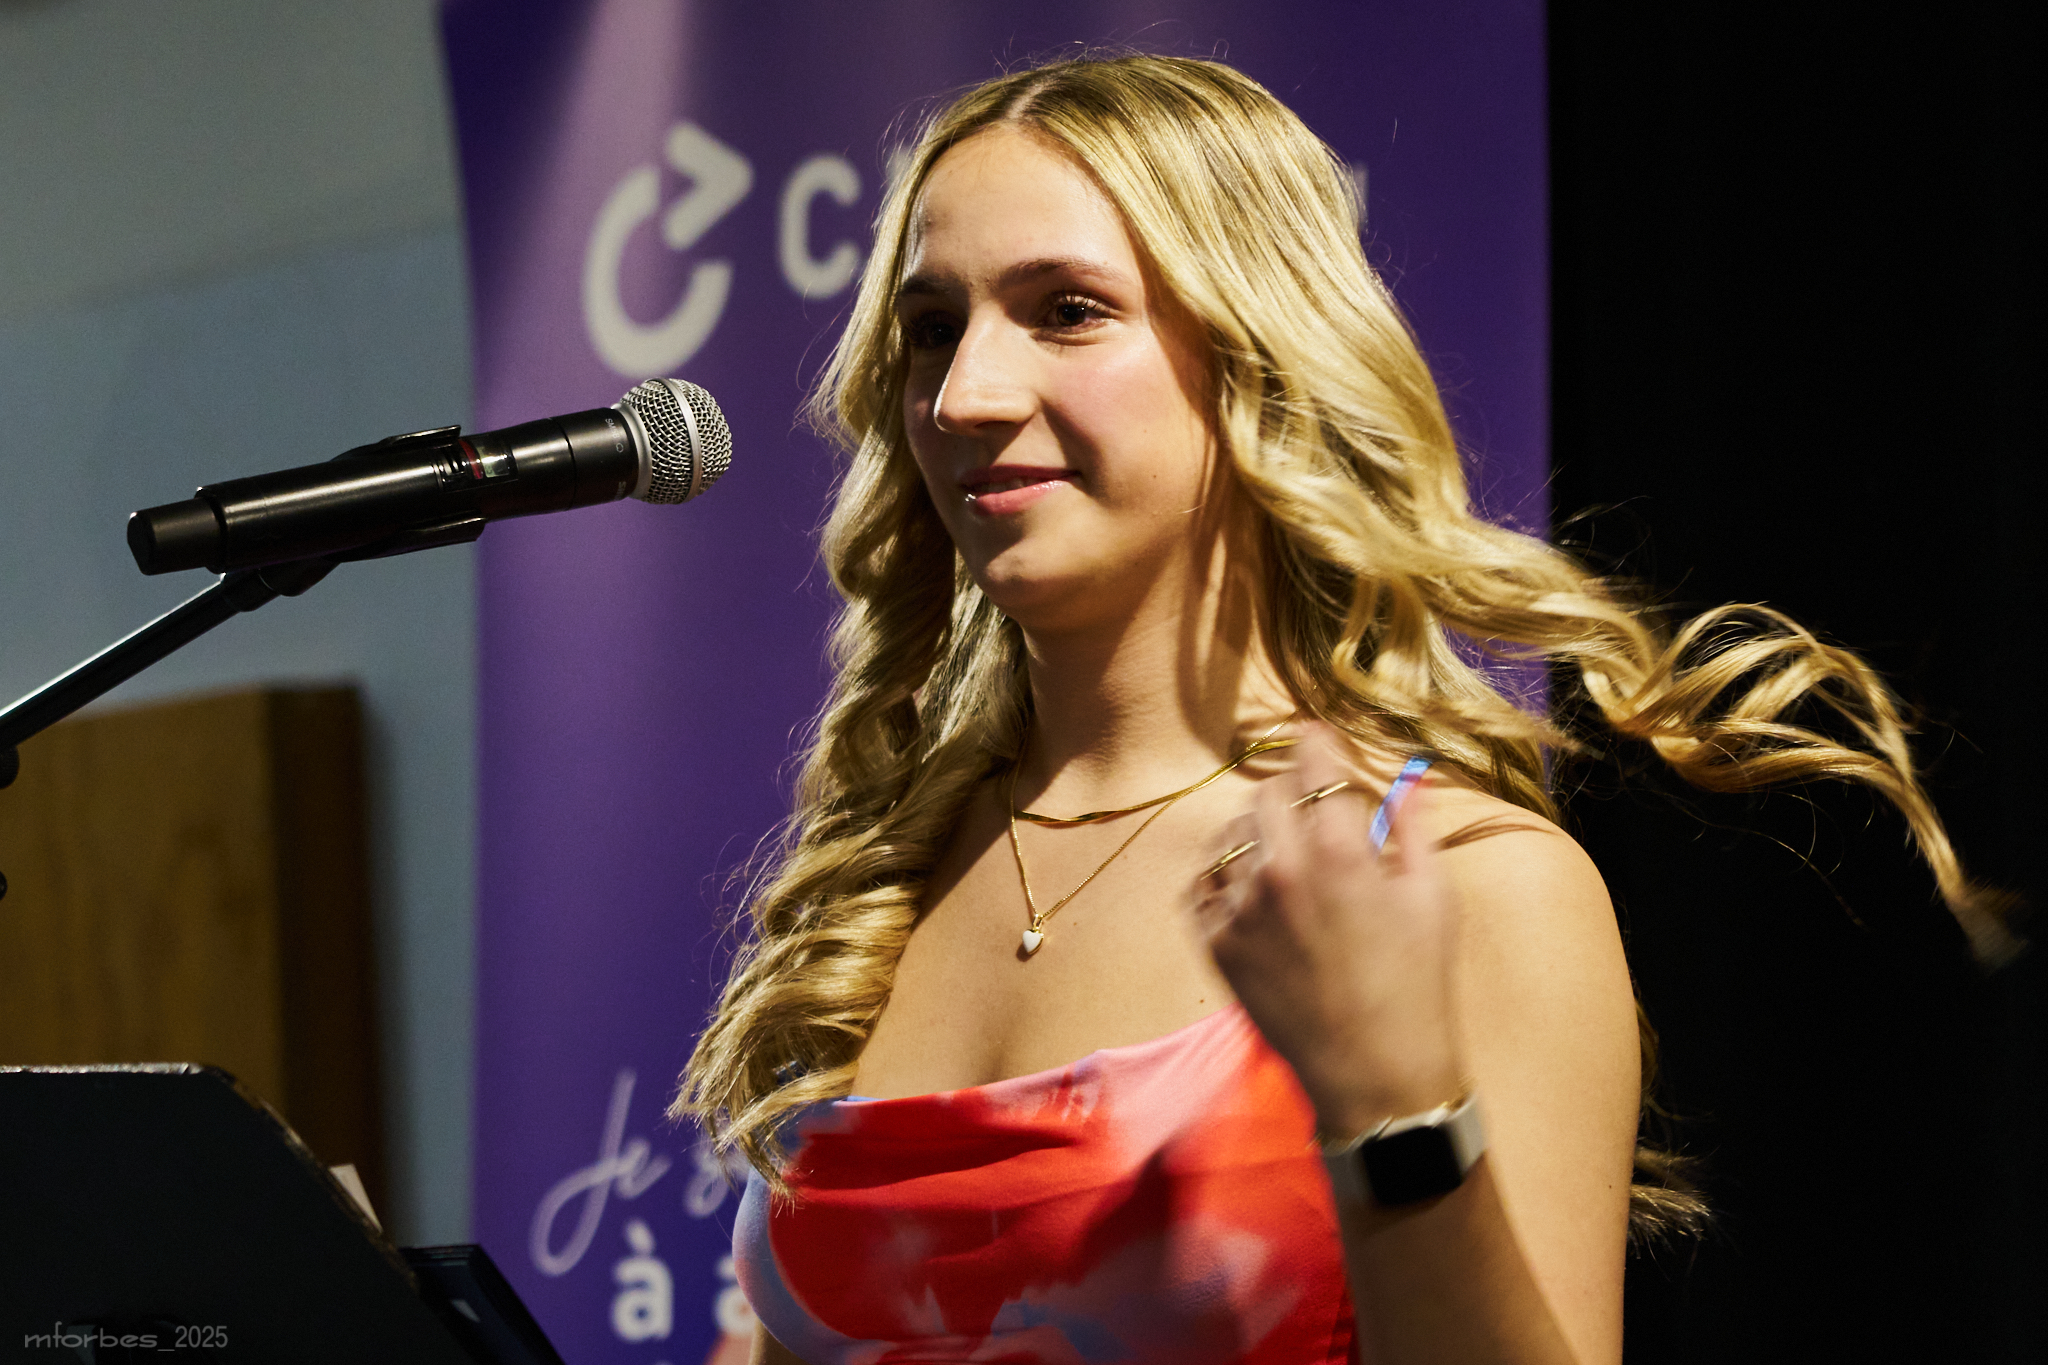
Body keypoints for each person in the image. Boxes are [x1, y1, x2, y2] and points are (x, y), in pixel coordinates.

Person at [677, 54, 2009, 1365]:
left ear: (1254, 357)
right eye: (932, 328)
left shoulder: (1468, 883)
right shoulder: (885, 883)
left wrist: (1388, 1097)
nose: (966, 392)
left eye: (1068, 310)